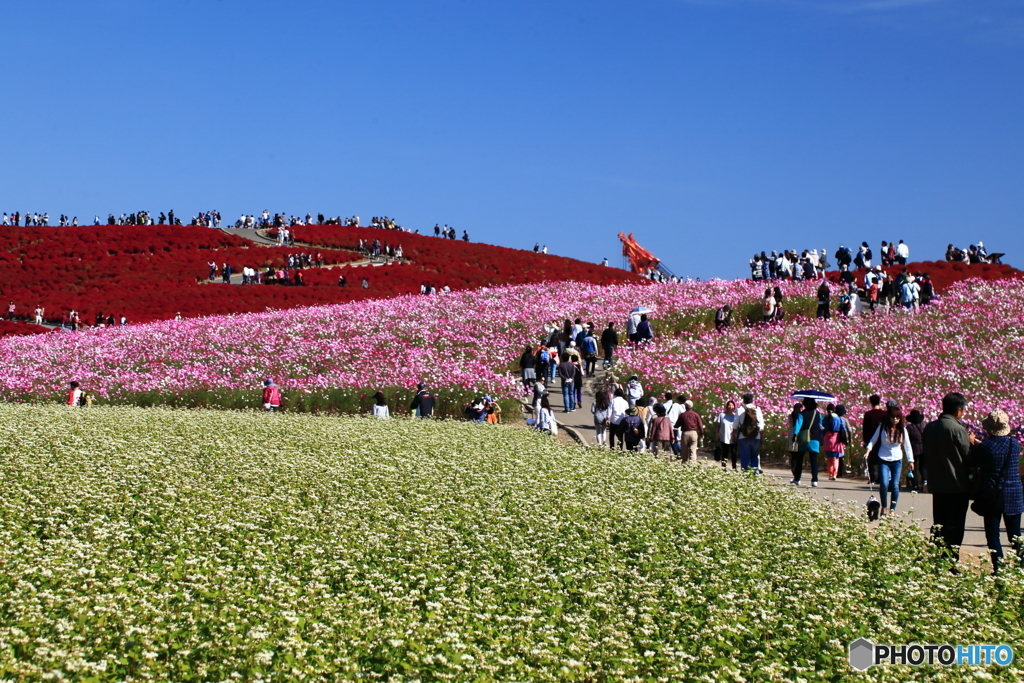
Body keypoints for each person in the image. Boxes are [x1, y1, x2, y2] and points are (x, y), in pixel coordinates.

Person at [922, 392, 976, 562]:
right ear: (958, 410)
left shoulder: (930, 428)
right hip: (956, 485)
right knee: (955, 526)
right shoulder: (958, 429)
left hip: (937, 484)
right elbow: (968, 457)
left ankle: (936, 556)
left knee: (939, 522)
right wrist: (972, 442)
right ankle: (951, 560)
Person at [971, 410, 1023, 573]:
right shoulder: (1014, 444)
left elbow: (978, 460)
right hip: (1014, 493)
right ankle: (1021, 567)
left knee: (993, 535)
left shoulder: (985, 447)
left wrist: (975, 443)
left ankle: (999, 569)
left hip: (993, 493)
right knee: (1015, 535)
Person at [866, 402, 915, 514]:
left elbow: (907, 445)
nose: (895, 420)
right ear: (889, 417)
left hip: (897, 460)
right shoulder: (882, 427)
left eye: (897, 417)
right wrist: (868, 451)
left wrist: (910, 460)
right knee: (884, 483)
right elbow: (873, 439)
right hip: (883, 458)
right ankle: (884, 506)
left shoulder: (903, 430)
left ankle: (892, 509)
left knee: (895, 485)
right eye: (893, 417)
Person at [791, 398, 823, 487]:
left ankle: (797, 479)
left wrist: (794, 435)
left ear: (804, 404)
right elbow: (821, 426)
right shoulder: (818, 414)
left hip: (804, 438)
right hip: (815, 438)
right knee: (814, 461)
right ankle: (814, 480)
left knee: (799, 460)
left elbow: (798, 425)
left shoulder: (802, 414)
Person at [735, 394, 764, 472]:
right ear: (752, 400)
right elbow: (761, 426)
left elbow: (735, 425)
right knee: (754, 456)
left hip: (743, 436)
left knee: (745, 456)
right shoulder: (757, 409)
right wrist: (761, 437)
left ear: (743, 400)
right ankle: (755, 472)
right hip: (756, 436)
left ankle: (746, 473)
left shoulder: (740, 409)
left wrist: (734, 435)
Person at [862, 395, 887, 486]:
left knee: (871, 460)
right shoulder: (884, 413)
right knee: (882, 458)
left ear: (871, 402)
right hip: (883, 439)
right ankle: (880, 478)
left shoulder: (868, 414)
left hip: (871, 439)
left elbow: (865, 428)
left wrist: (865, 440)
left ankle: (872, 478)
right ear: (879, 402)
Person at [906, 409, 926, 491]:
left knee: (913, 467)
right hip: (924, 449)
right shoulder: (925, 426)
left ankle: (915, 485)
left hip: (913, 449)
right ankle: (925, 481)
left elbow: (906, 439)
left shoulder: (909, 427)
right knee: (923, 467)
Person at [716, 400, 739, 469]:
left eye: (732, 405)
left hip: (733, 437)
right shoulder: (722, 415)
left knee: (734, 453)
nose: (730, 407)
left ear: (734, 407)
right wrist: (717, 435)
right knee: (724, 453)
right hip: (724, 437)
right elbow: (717, 425)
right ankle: (724, 467)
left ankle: (734, 467)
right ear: (726, 406)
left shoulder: (736, 416)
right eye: (729, 405)